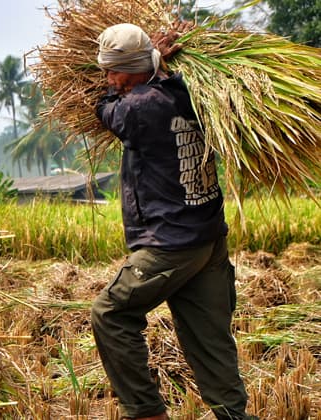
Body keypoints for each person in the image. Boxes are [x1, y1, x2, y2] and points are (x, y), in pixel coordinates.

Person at [90, 23, 254, 420]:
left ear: (137, 67)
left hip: (170, 244)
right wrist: (157, 67)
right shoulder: (192, 91)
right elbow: (154, 85)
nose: (110, 79)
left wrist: (123, 86)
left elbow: (105, 110)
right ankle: (234, 415)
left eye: (115, 71)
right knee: (210, 341)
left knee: (110, 314)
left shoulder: (138, 107)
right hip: (209, 239)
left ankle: (146, 412)